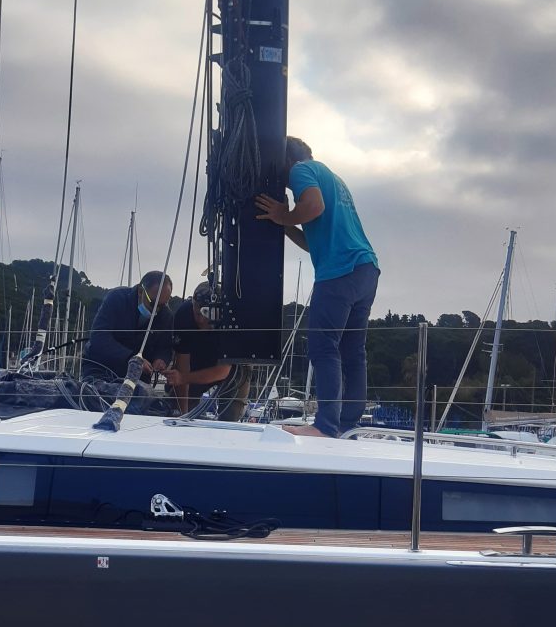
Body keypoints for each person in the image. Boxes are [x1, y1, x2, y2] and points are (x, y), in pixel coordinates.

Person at [255, 137, 379, 438]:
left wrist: (284, 214)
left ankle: (325, 425)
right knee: (352, 351)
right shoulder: (332, 178)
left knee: (323, 347)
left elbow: (313, 206)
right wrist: (283, 224)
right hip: (366, 268)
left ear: (285, 160)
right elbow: (313, 242)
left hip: (339, 272)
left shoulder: (301, 170)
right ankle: (348, 423)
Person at [164, 282, 250, 420]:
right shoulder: (184, 315)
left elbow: (223, 371)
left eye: (206, 314)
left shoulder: (231, 319)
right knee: (178, 406)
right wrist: (183, 416)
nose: (200, 319)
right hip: (198, 360)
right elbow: (182, 366)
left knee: (230, 416)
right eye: (197, 312)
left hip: (234, 366)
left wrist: (183, 378)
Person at [81, 271, 174, 381]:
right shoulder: (116, 298)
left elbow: (165, 346)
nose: (157, 310)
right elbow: (99, 337)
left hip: (138, 375)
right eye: (153, 304)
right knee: (96, 394)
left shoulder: (166, 315)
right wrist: (132, 358)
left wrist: (161, 359)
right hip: (100, 367)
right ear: (140, 291)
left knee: (142, 396)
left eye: (162, 305)